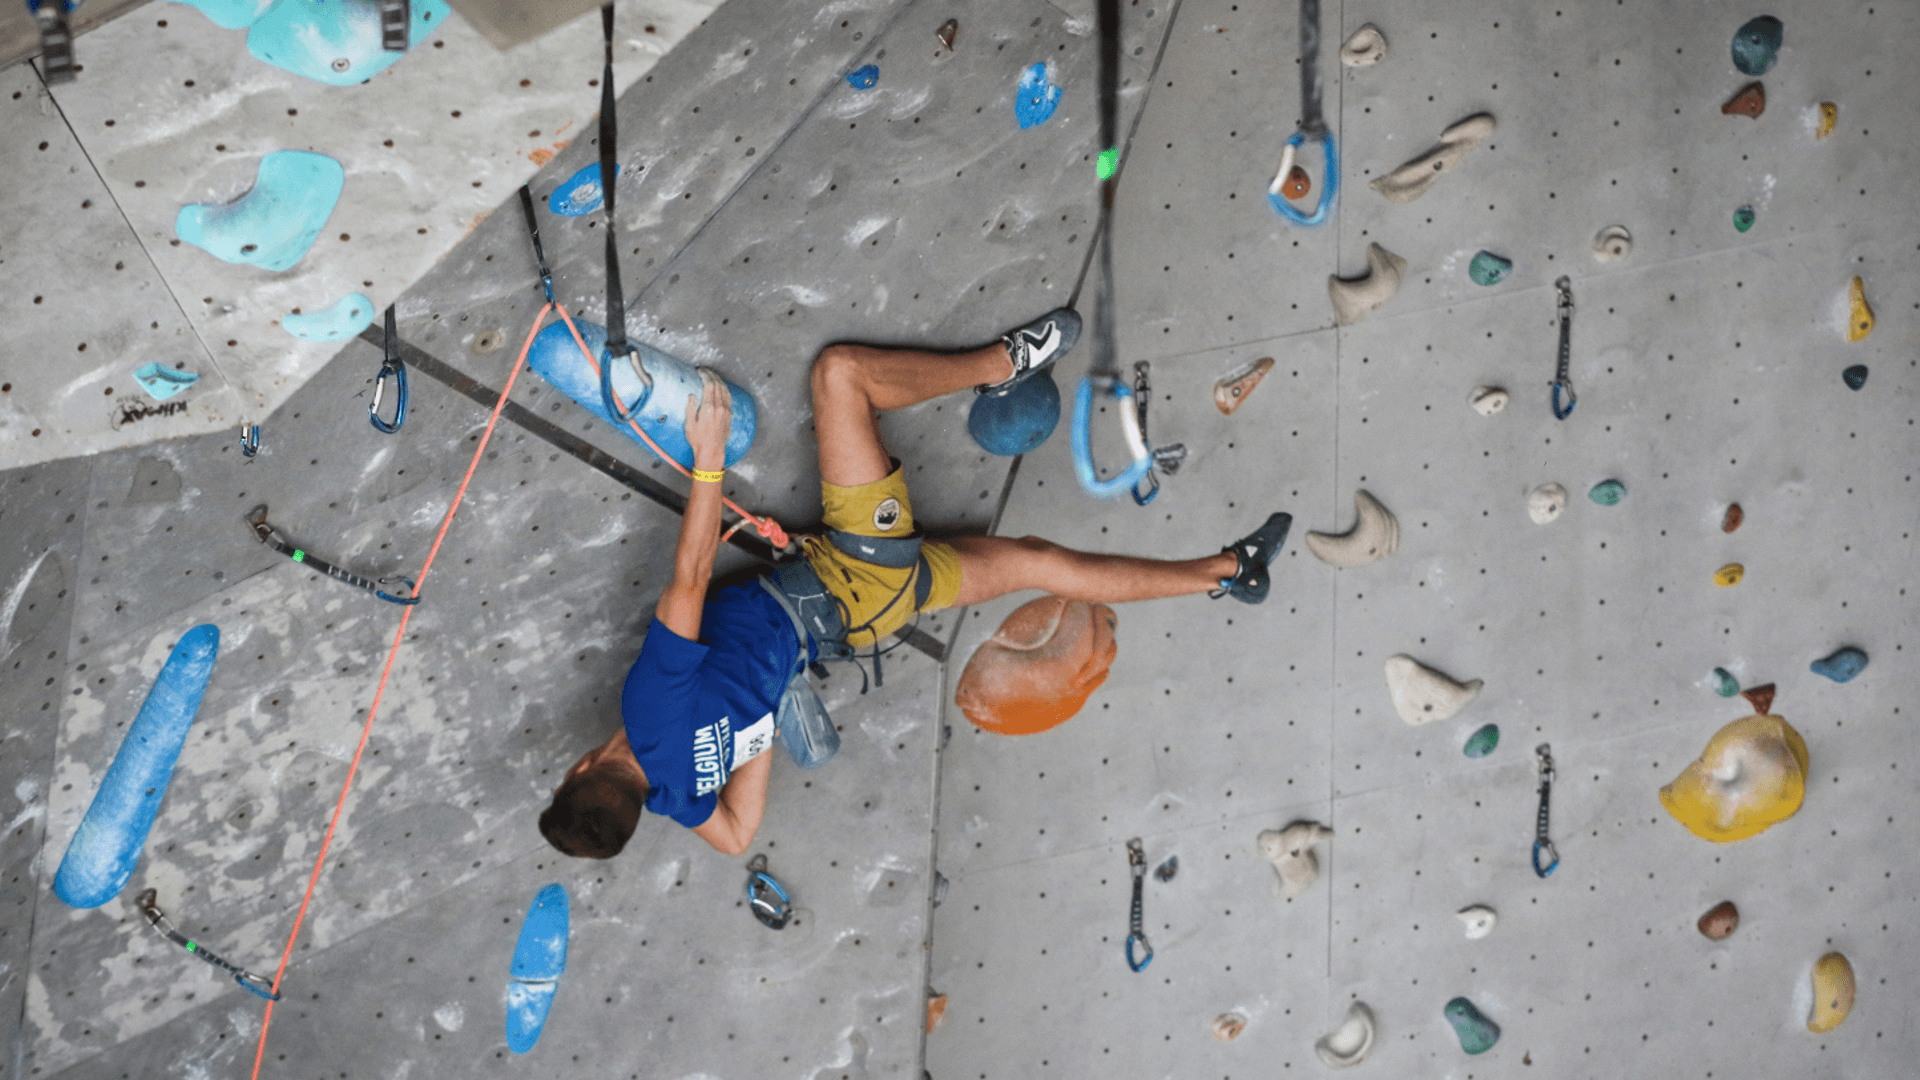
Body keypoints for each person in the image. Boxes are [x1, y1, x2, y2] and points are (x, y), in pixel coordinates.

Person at [538, 310, 1291, 858]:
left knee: (1038, 562)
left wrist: (763, 716)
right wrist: (708, 457)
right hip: (854, 573)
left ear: (637, 811)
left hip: (861, 622)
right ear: (580, 770)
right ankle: (1004, 363)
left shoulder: (681, 798)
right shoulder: (647, 709)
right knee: (840, 378)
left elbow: (737, 839)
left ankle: (1229, 572)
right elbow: (692, 573)